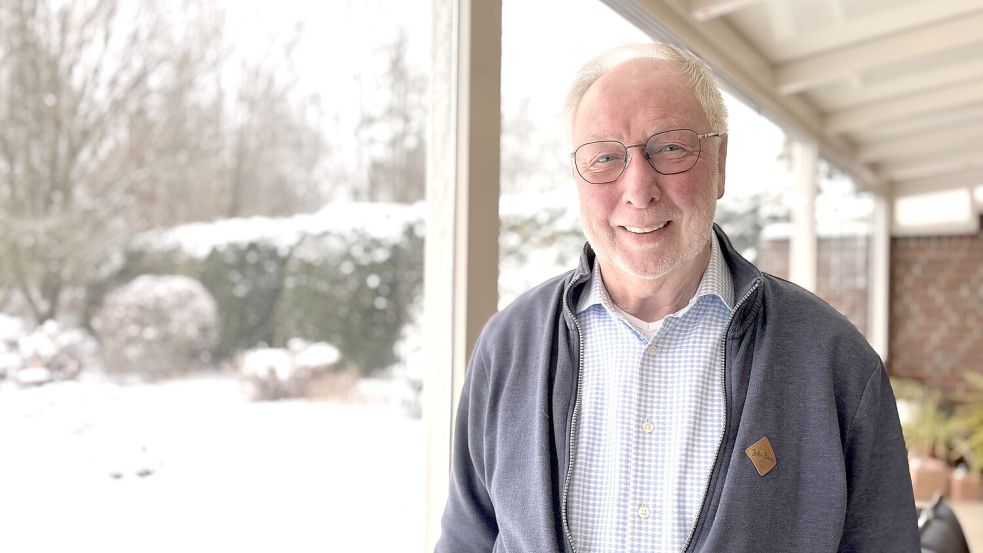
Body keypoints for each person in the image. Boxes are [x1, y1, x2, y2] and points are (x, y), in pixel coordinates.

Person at [435, 43, 919, 553]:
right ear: (576, 176)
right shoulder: (510, 347)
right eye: (605, 157)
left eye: (669, 148)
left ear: (719, 163)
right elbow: (467, 540)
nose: (639, 189)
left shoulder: (831, 360)